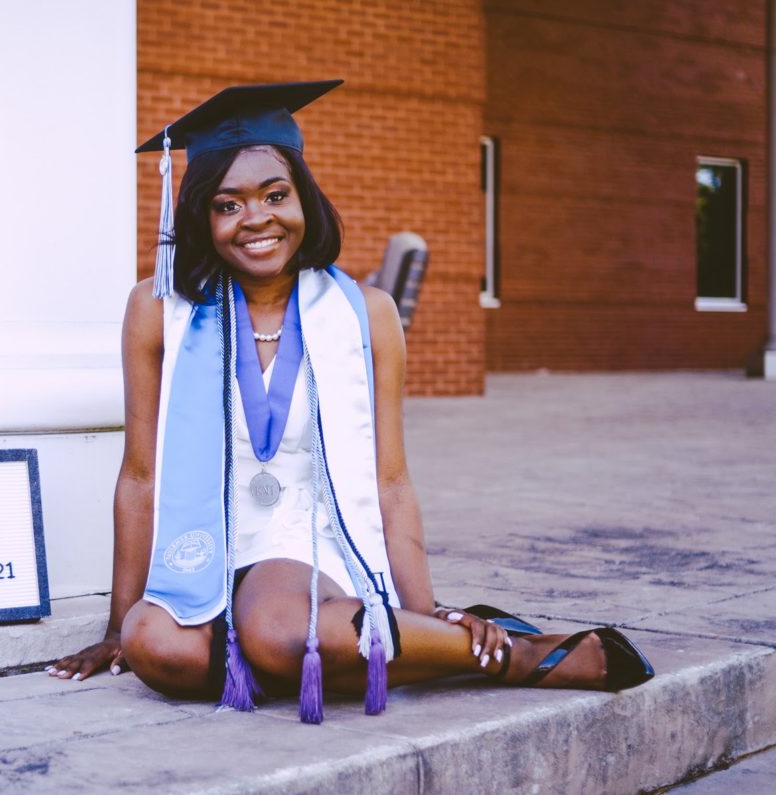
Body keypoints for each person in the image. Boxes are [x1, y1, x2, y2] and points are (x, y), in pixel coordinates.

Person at [47, 80, 652, 723]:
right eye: (228, 205)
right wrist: (118, 625)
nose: (257, 219)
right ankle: (384, 647)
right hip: (201, 537)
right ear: (201, 217)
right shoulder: (157, 311)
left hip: (306, 536)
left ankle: (521, 655)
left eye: (275, 195)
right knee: (154, 643)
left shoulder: (366, 314)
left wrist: (423, 606)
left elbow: (390, 480)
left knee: (277, 625)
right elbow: (140, 476)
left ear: (303, 197)